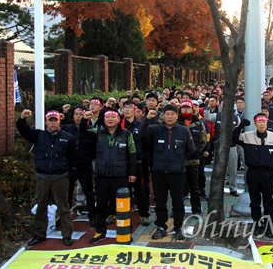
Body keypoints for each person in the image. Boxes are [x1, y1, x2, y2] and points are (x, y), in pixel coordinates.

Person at [16, 109, 76, 247]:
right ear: (46, 122)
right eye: (50, 120)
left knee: (64, 208)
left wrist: (69, 171)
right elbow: (23, 130)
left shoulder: (68, 137)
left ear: (59, 121)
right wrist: (22, 118)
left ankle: (67, 235)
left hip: (60, 177)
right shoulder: (38, 135)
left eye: (55, 120)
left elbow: (72, 157)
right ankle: (39, 234)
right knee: (41, 207)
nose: (53, 123)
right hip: (42, 177)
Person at [140, 105, 196, 241]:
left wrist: (179, 161)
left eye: (172, 114)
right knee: (160, 202)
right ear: (163, 116)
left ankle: (178, 228)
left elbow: (191, 149)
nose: (169, 117)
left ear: (177, 116)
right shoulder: (155, 129)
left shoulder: (183, 131)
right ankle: (161, 227)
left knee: (178, 202)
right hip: (159, 172)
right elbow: (141, 133)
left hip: (177, 173)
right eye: (167, 114)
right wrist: (147, 118)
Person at [81, 108, 137, 244]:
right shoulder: (98, 132)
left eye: (113, 117)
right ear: (103, 120)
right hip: (102, 175)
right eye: (107, 118)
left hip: (120, 175)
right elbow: (83, 131)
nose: (110, 120)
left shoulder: (126, 134)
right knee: (100, 204)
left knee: (122, 205)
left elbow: (132, 154)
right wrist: (84, 119)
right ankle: (100, 231)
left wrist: (132, 172)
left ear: (119, 119)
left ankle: (126, 232)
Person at [233, 113, 273, 237]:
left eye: (264, 122)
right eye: (259, 122)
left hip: (267, 174)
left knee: (268, 202)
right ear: (255, 123)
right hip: (253, 173)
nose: (262, 124)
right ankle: (257, 224)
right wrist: (239, 126)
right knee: (254, 201)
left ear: (266, 123)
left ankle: (269, 227)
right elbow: (233, 139)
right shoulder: (247, 136)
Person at [61, 105, 97, 227]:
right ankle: (64, 217)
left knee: (89, 192)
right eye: (76, 114)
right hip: (69, 166)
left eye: (81, 115)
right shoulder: (65, 128)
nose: (78, 117)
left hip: (84, 166)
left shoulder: (90, 129)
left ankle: (92, 215)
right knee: (67, 193)